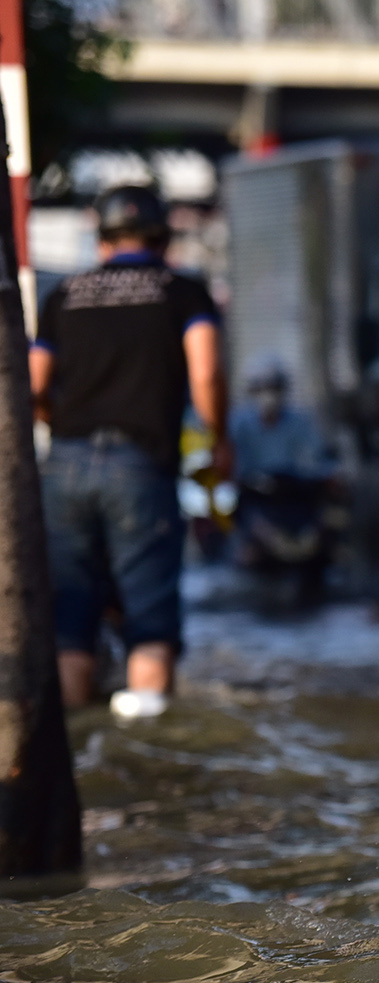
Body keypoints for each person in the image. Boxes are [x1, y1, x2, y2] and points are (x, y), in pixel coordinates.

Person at [32, 184, 227, 720]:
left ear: (102, 242)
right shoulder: (182, 291)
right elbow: (206, 371)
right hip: (140, 466)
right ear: (162, 239)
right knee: (149, 621)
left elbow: (33, 385)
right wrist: (219, 440)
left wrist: (59, 423)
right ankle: (147, 748)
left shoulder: (64, 294)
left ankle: (75, 750)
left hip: (64, 464)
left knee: (70, 621)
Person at [228, 359, 342, 603]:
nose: (269, 395)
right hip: (256, 497)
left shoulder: (300, 422)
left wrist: (329, 476)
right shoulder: (239, 424)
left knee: (326, 535)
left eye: (274, 387)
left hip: (296, 495)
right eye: (262, 388)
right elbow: (231, 466)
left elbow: (319, 459)